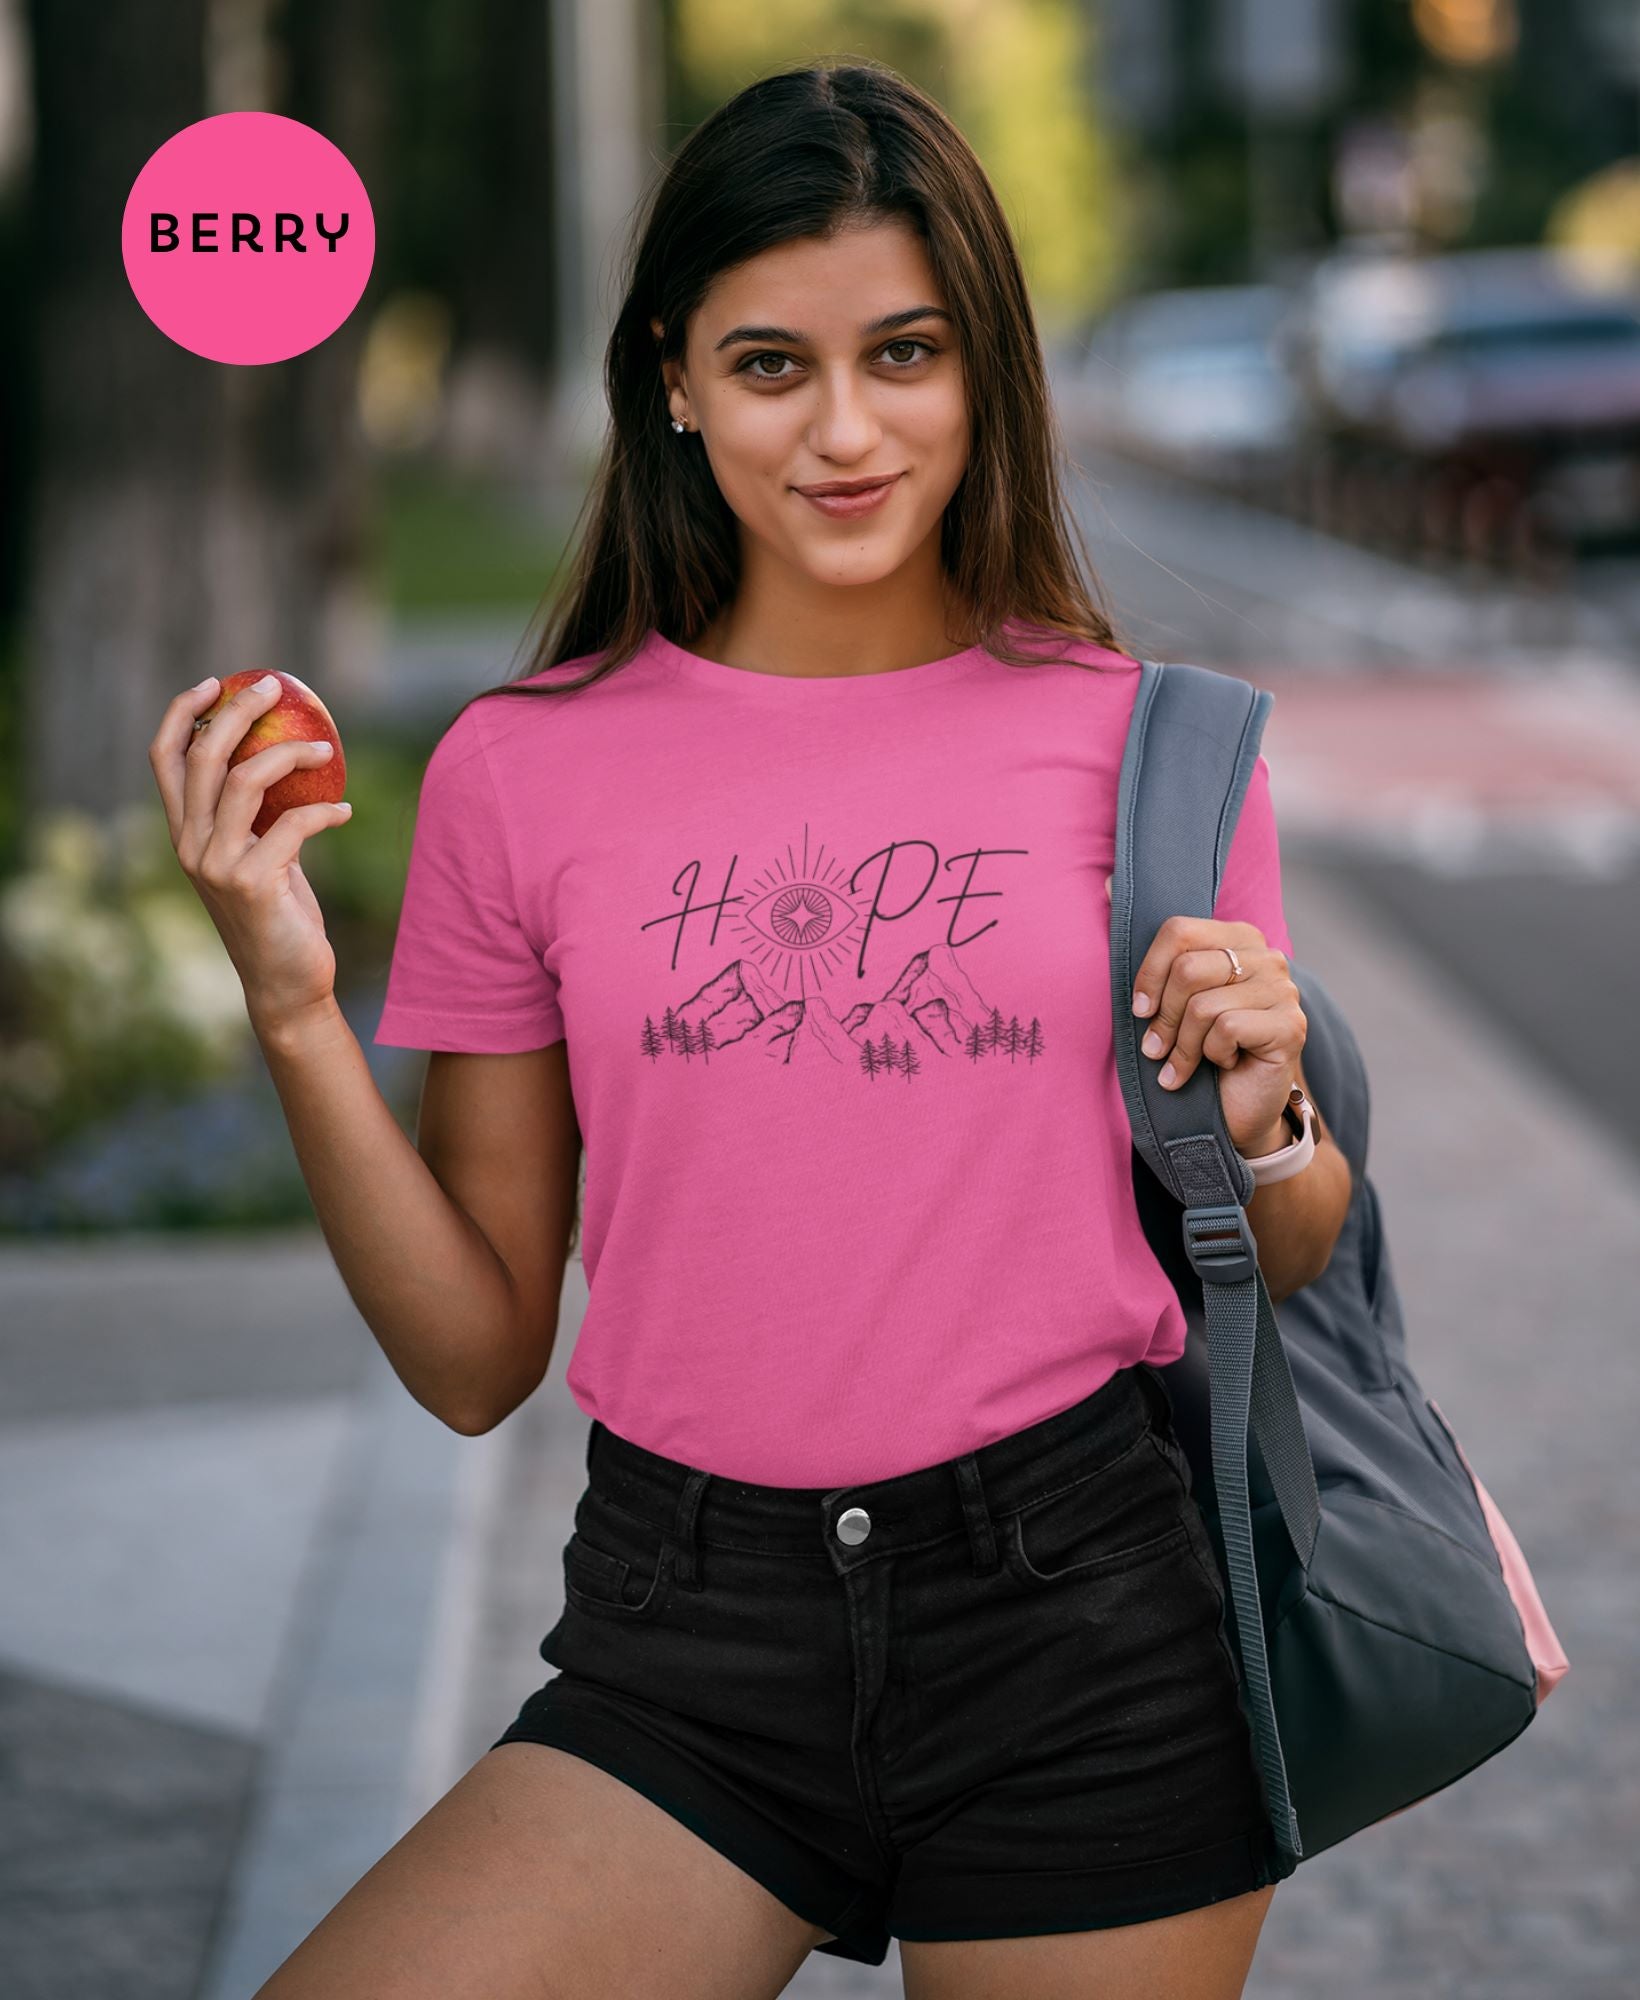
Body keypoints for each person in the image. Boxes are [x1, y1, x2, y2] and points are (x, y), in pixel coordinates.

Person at [150, 57, 1352, 2000]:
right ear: (675, 379)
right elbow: (474, 1358)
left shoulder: (1151, 745)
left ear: (985, 372)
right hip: (686, 1635)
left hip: (1091, 1619)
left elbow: (1281, 1248)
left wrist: (1275, 1119)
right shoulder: (518, 775)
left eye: (905, 352)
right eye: (773, 364)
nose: (847, 428)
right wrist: (295, 1006)